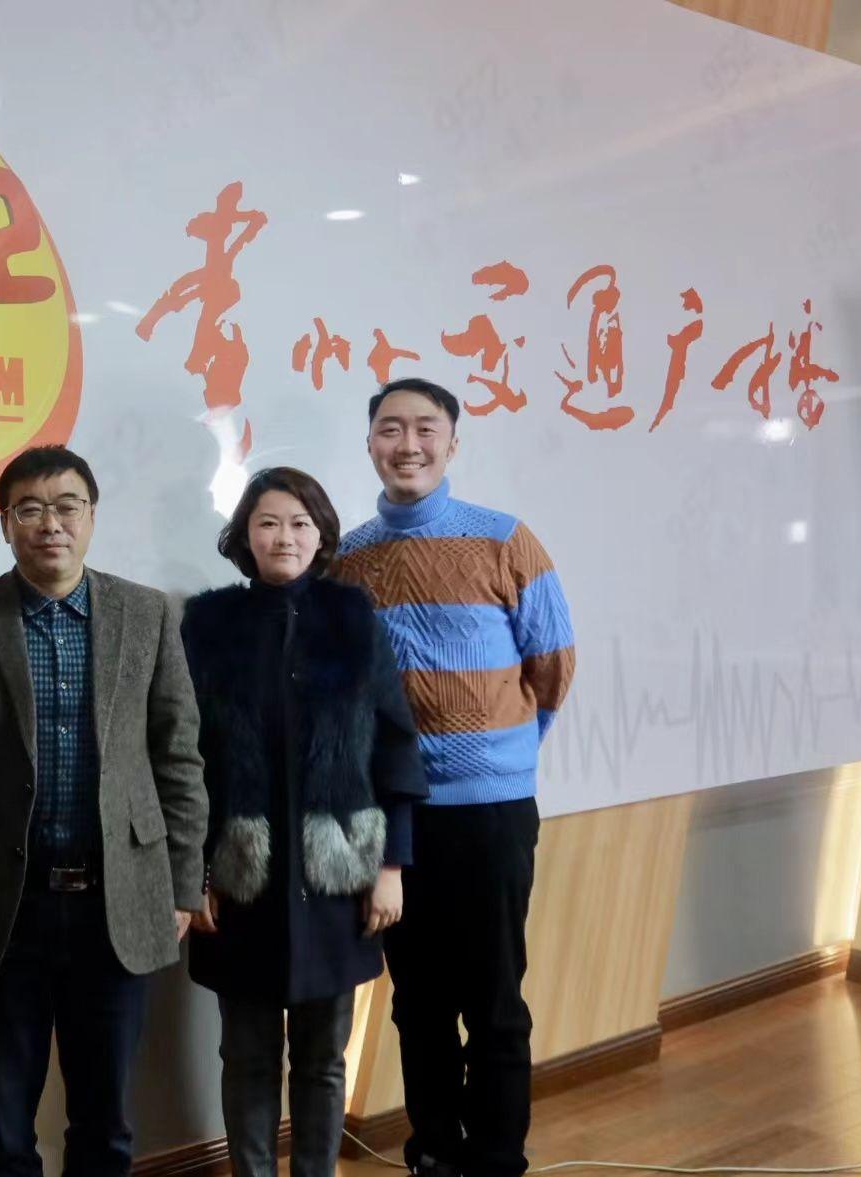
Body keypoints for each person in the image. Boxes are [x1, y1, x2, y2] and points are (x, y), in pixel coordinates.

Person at [0, 445, 208, 1177]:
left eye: (67, 506)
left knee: (105, 1117)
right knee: (2, 1118)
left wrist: (180, 884)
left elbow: (178, 758)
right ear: (4, 522)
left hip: (118, 900)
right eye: (31, 509)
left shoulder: (145, 613)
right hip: (3, 906)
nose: (51, 524)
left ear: (91, 517)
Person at [335, 378, 577, 1177]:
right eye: (390, 428)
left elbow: (553, 666)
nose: (407, 444)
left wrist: (498, 752)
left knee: (495, 1001)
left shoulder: (505, 539)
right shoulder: (348, 560)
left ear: (452, 443)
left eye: (425, 428)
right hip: (399, 819)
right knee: (417, 1003)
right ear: (370, 443)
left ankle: (499, 1159)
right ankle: (435, 1151)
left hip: (491, 812)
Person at [180, 466, 426, 1177]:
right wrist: (193, 874)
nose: (283, 536)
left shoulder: (354, 619)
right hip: (239, 882)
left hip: (338, 881)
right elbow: (183, 759)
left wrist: (391, 866)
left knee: (322, 1059)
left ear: (320, 536)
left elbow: (395, 746)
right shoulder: (208, 624)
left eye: (299, 523)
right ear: (244, 536)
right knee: (246, 1056)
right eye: (267, 522)